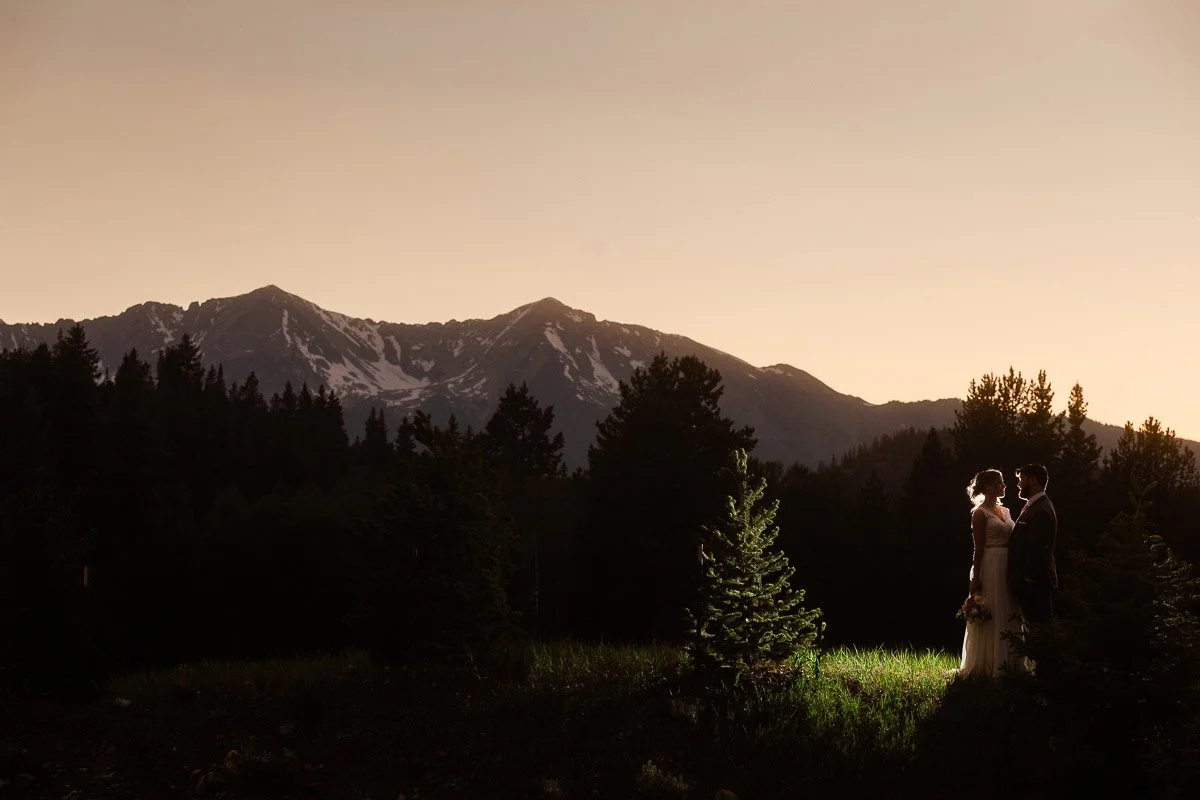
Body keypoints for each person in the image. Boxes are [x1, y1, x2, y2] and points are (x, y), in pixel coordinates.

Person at [957, 468, 1022, 678]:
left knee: (1008, 608)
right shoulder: (979, 513)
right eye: (1000, 482)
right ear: (989, 486)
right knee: (992, 609)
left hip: (1008, 565)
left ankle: (1010, 663)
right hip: (991, 564)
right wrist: (976, 577)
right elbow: (978, 547)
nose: (1004, 486)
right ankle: (988, 664)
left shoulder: (1006, 512)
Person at [1008, 463, 1058, 624]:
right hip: (1031, 583)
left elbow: (1038, 549)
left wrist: (1027, 580)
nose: (1018, 483)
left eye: (1022, 478)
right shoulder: (1034, 505)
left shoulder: (1041, 510)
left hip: (1036, 584)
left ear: (1033, 481)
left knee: (1039, 630)